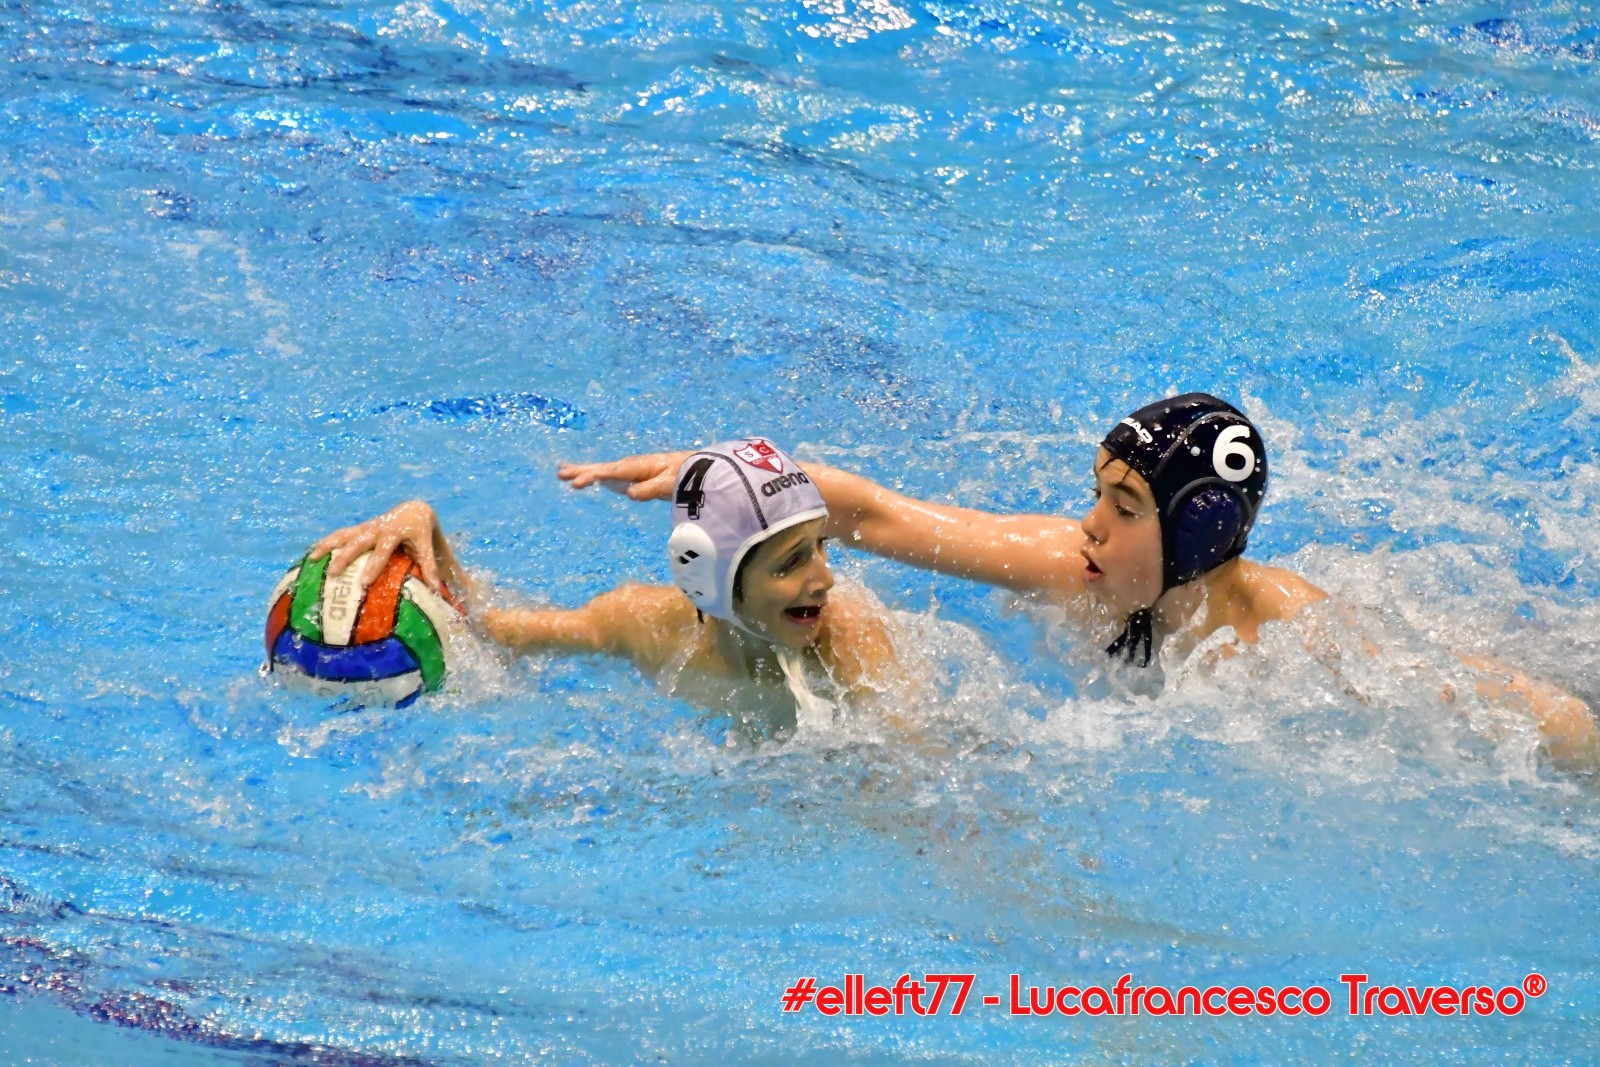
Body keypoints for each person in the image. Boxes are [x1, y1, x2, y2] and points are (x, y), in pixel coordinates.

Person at [559, 394, 1598, 766]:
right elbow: (871, 514)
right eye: (1097, 493)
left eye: (1126, 506)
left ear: (1196, 532)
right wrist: (721, 478)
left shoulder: (1289, 632)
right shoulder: (1076, 568)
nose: (1090, 524)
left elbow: (1531, 712)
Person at [309, 438, 909, 740]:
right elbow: (491, 633)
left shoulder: (853, 646)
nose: (826, 579)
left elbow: (915, 773)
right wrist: (429, 542)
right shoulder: (643, 626)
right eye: (792, 562)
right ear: (708, 576)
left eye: (823, 546)